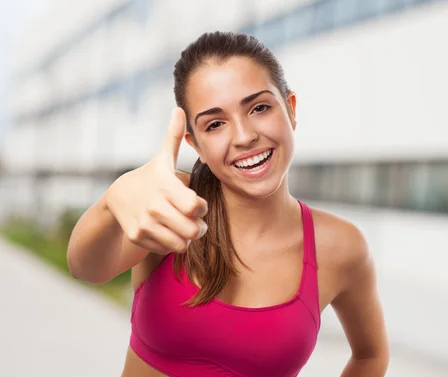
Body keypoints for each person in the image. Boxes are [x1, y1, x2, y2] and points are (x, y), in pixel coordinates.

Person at [67, 31, 389, 377]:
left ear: (291, 110)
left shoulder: (341, 247)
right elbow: (86, 268)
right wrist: (114, 199)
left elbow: (370, 356)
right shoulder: (175, 205)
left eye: (259, 107)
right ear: (196, 144)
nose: (244, 136)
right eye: (216, 124)